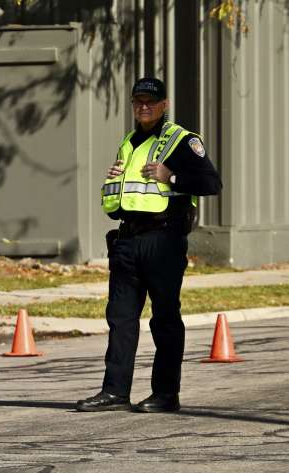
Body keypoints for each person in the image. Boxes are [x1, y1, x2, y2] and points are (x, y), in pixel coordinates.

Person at [77, 77, 222, 413]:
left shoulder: (182, 140)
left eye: (150, 101)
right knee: (120, 318)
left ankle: (166, 394)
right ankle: (115, 392)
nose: (144, 106)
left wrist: (170, 176)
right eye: (138, 101)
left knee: (164, 318)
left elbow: (211, 183)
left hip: (163, 240)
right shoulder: (129, 143)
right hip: (127, 240)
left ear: (164, 105)